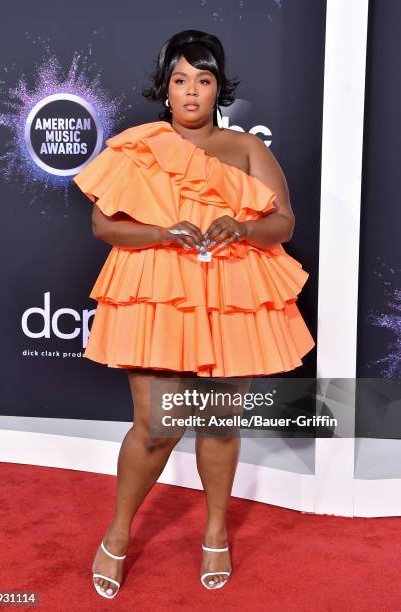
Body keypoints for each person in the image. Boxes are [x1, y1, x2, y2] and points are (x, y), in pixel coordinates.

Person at [73, 29, 315, 599]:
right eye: (180, 80)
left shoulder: (249, 150)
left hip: (233, 294)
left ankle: (214, 531)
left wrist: (245, 227)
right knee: (156, 426)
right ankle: (118, 533)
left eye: (203, 81)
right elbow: (105, 226)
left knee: (220, 422)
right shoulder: (139, 145)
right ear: (165, 87)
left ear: (217, 90)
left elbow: (284, 224)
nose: (191, 92)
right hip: (159, 291)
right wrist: (163, 231)